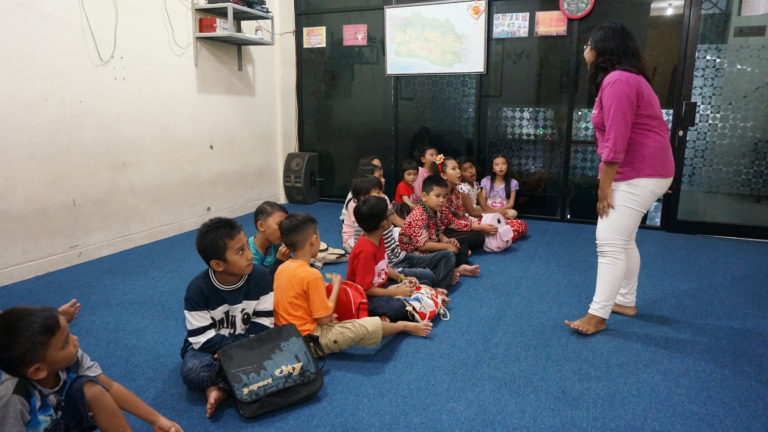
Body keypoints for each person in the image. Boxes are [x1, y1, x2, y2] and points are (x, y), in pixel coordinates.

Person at [564, 22, 675, 335]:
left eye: (588, 44)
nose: (585, 49)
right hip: (646, 170)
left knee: (609, 243)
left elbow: (616, 141)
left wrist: (604, 187)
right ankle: (624, 300)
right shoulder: (626, 78)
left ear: (602, 49)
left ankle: (597, 315)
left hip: (638, 172)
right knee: (624, 240)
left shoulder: (618, 80)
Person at [0, 306, 183, 432]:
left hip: (63, 420)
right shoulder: (13, 399)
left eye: (69, 333)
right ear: (38, 370)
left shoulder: (72, 358)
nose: (75, 340)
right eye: (65, 343)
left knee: (93, 389)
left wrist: (157, 419)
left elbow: (109, 387)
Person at [273, 213, 432, 355]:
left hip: (286, 339)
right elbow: (324, 320)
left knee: (346, 314)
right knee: (369, 326)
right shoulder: (311, 274)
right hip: (310, 340)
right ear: (313, 240)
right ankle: (403, 326)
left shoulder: (281, 268)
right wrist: (336, 286)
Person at [180, 217, 274, 417]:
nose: (249, 255)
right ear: (217, 264)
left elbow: (264, 323)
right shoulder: (197, 290)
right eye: (240, 251)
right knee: (194, 371)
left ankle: (221, 388)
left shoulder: (260, 276)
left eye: (247, 247)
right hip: (209, 351)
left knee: (278, 349)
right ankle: (235, 383)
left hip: (247, 343)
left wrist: (233, 349)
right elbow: (201, 339)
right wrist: (227, 351)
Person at [348, 196, 450, 322]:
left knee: (419, 283)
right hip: (366, 297)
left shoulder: (378, 238)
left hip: (382, 287)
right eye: (390, 213)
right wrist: (396, 292)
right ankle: (424, 301)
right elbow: (365, 290)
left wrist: (402, 278)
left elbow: (384, 267)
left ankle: (426, 298)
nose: (392, 214)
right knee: (398, 307)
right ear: (383, 223)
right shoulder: (366, 251)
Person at [399, 175, 480, 277]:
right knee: (449, 255)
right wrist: (447, 246)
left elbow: (438, 232)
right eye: (437, 196)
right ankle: (453, 270)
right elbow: (423, 246)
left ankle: (452, 268)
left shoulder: (434, 210)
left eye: (444, 196)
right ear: (424, 196)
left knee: (460, 246)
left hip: (430, 247)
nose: (442, 200)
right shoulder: (419, 216)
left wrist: (447, 241)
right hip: (416, 256)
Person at [438, 156, 497, 251]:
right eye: (453, 169)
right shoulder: (441, 194)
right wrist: (479, 227)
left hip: (455, 226)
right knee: (480, 236)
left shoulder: (456, 190)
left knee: (480, 234)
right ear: (444, 175)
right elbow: (451, 222)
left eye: (458, 168)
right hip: (442, 231)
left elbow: (461, 215)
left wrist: (477, 226)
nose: (458, 171)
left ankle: (460, 247)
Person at [478, 154, 529, 242]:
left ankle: (494, 222)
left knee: (514, 212)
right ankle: (499, 224)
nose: (500, 167)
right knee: (476, 209)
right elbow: (482, 200)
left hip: (503, 211)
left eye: (503, 164)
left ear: (507, 166)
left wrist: (499, 211)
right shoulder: (486, 181)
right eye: (497, 164)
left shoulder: (513, 182)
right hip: (488, 209)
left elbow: (511, 204)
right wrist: (490, 210)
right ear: (493, 168)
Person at [249, 201, 291, 277]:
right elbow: (260, 281)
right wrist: (279, 261)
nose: (285, 229)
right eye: (280, 224)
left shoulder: (276, 243)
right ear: (261, 226)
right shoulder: (249, 254)